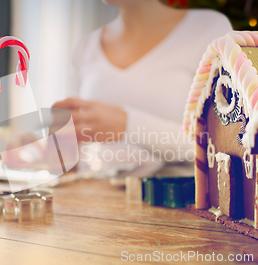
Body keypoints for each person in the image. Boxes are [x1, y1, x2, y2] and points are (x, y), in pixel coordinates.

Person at [52, 0, 233, 173]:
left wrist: (128, 124)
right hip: (93, 198)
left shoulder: (207, 28)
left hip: (171, 201)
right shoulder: (85, 46)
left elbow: (220, 146)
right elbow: (69, 155)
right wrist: (50, 148)